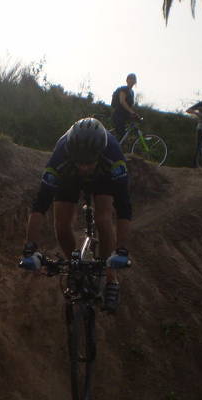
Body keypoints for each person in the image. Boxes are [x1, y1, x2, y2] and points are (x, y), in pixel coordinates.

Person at [20, 118, 132, 313]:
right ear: (71, 154)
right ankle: (75, 267)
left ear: (99, 153)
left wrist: (121, 250)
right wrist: (29, 248)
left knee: (103, 219)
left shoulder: (113, 155)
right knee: (61, 223)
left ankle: (111, 279)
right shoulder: (60, 156)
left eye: (89, 162)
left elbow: (124, 207)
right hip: (67, 176)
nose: (84, 167)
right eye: (79, 161)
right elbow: (40, 204)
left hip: (103, 176)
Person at [111, 73, 140, 141]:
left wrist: (134, 114)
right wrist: (132, 112)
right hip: (118, 114)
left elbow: (130, 106)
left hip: (124, 115)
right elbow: (122, 101)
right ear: (127, 80)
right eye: (130, 78)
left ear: (135, 81)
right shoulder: (124, 89)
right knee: (121, 135)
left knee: (126, 134)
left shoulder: (132, 92)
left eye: (133, 79)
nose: (132, 80)